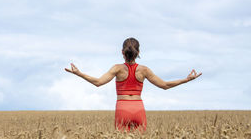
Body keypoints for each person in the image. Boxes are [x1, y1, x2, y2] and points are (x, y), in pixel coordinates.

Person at [64, 37, 202, 132]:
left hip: (122, 108)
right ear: (138, 52)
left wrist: (79, 73)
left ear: (122, 52)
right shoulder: (144, 70)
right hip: (138, 109)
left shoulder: (117, 68)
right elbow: (165, 85)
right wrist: (186, 79)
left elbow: (98, 82)